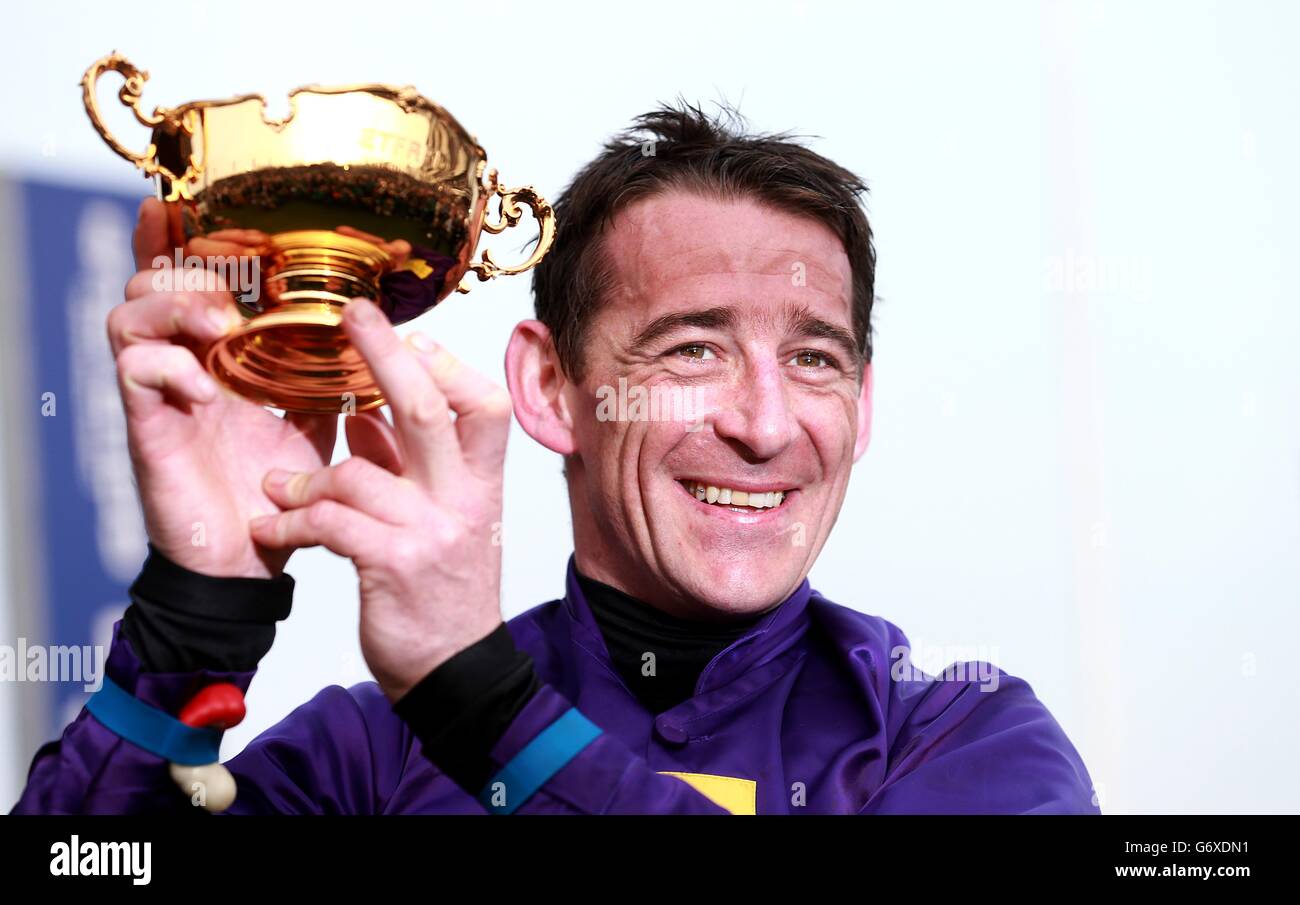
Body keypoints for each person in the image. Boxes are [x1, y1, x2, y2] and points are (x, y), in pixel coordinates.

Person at [13, 104, 1099, 815]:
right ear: (548, 388)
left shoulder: (962, 732)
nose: (764, 424)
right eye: (694, 349)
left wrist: (481, 704)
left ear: (858, 406)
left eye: (814, 360)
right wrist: (198, 607)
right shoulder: (370, 753)